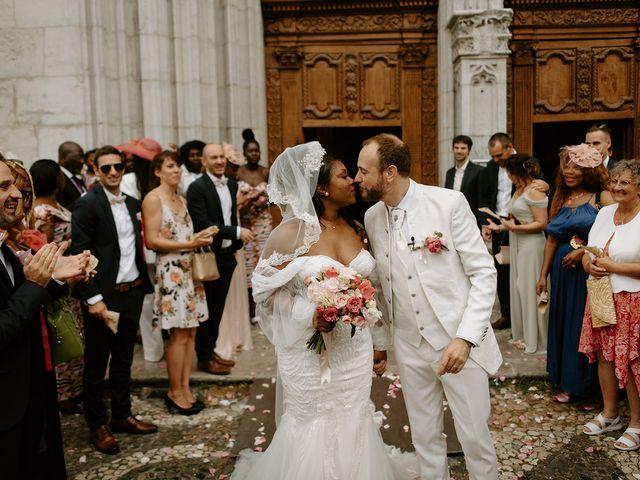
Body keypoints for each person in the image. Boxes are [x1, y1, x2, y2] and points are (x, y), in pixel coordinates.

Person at [232, 142, 408, 480]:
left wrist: (378, 342)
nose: (354, 181)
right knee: (313, 420)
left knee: (352, 415)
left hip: (354, 351)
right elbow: (265, 293)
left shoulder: (357, 228)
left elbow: (375, 291)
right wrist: (307, 313)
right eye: (344, 176)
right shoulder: (290, 234)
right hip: (309, 354)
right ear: (322, 187)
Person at [356, 133, 502, 480]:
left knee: (475, 439)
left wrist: (466, 339)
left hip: (456, 342)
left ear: (389, 172)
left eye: (364, 171)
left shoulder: (448, 203)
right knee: (424, 438)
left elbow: (484, 274)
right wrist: (381, 343)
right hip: (409, 344)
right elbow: (379, 285)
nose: (357, 178)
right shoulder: (373, 216)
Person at [0, 159, 91, 480]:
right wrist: (37, 283)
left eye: (14, 185)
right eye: (3, 187)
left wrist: (59, 280)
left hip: (28, 388)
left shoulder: (4, 247)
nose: (16, 195)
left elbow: (20, 300)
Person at [71, 145, 157, 454]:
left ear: (124, 168)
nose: (112, 172)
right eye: (105, 167)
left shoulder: (133, 203)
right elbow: (80, 253)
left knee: (123, 359)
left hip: (131, 291)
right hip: (103, 298)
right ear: (95, 169)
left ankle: (122, 415)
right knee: (96, 364)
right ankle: (97, 424)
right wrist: (93, 298)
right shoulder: (86, 205)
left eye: (117, 167)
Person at [536, 144, 613, 405]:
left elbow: (611, 235)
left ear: (589, 170)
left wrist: (582, 253)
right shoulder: (560, 198)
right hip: (561, 274)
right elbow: (551, 239)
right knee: (564, 324)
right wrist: (543, 275)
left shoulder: (601, 197)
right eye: (566, 166)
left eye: (576, 167)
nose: (569, 171)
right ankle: (568, 383)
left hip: (588, 274)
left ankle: (592, 389)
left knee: (587, 328)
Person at [142, 150, 217, 415]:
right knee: (178, 334)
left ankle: (185, 387)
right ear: (158, 171)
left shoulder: (181, 199)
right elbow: (152, 241)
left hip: (189, 271)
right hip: (171, 271)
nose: (177, 170)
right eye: (171, 166)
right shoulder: (153, 199)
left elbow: (181, 233)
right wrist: (190, 243)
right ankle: (174, 392)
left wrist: (201, 235)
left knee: (192, 331)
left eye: (179, 166)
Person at [579, 159, 640, 451]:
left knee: (630, 360)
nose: (617, 187)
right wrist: (589, 264)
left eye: (625, 182)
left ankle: (637, 424)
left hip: (633, 297)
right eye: (614, 181)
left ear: (639, 186)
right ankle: (610, 414)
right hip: (602, 294)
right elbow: (589, 250)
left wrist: (616, 266)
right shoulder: (604, 213)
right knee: (604, 355)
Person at [187, 143, 254, 375]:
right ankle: (204, 357)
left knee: (218, 309)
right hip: (208, 257)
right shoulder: (197, 188)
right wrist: (236, 232)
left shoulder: (232, 184)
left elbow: (229, 216)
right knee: (208, 309)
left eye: (221, 157)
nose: (219, 161)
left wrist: (236, 242)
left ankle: (211, 351)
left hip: (227, 256)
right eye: (213, 158)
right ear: (204, 162)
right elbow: (203, 223)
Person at [31, 159, 85, 414]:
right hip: (56, 276)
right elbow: (42, 245)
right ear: (55, 179)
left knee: (74, 328)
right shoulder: (41, 211)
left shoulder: (55, 204)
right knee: (61, 332)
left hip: (70, 274)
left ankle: (75, 386)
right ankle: (62, 392)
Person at [486, 154, 548, 354]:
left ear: (514, 172)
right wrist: (499, 227)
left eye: (508, 172)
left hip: (532, 245)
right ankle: (523, 333)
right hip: (518, 242)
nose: (507, 176)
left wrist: (514, 228)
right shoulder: (519, 189)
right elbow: (517, 218)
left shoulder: (536, 191)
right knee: (520, 288)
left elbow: (541, 223)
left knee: (531, 289)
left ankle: (537, 338)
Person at [215, 143, 253, 359]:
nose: (233, 169)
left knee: (237, 290)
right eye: (233, 165)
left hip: (236, 244)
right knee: (226, 296)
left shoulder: (232, 185)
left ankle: (237, 335)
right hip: (228, 239)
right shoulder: (221, 188)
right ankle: (224, 338)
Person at [237, 128, 271, 320]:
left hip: (264, 224)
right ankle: (250, 310)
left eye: (257, 151)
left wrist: (263, 202)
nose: (254, 154)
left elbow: (274, 197)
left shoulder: (265, 171)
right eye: (250, 151)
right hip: (247, 224)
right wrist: (249, 202)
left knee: (265, 265)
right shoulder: (239, 173)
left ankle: (265, 309)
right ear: (244, 153)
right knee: (249, 266)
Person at [444, 134, 484, 226]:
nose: (459, 151)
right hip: (453, 220)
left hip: (471, 221)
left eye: (463, 148)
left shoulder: (479, 171)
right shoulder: (449, 173)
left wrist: (481, 223)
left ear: (469, 151)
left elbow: (481, 200)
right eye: (456, 148)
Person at [56, 141, 86, 209]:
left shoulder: (76, 179)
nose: (82, 161)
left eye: (83, 157)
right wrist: (87, 197)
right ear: (64, 156)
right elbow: (62, 209)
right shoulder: (57, 178)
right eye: (78, 157)